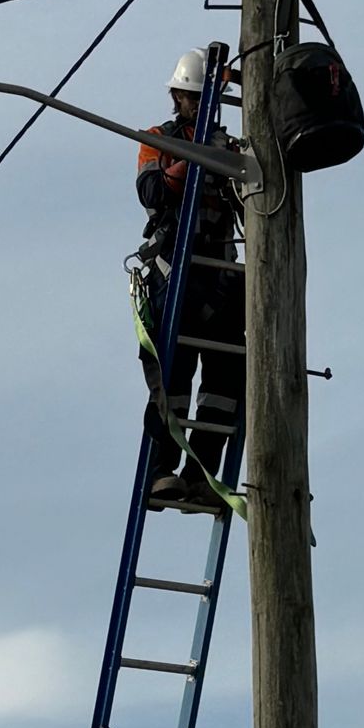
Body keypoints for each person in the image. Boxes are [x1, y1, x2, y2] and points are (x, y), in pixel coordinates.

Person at [133, 49, 244, 511]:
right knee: (172, 381)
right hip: (172, 277)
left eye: (204, 99)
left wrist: (229, 165)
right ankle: (162, 471)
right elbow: (151, 191)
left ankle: (202, 475)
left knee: (227, 383)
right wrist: (190, 162)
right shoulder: (156, 139)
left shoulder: (231, 149)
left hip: (219, 280)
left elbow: (250, 202)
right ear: (177, 96)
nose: (197, 106)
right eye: (191, 98)